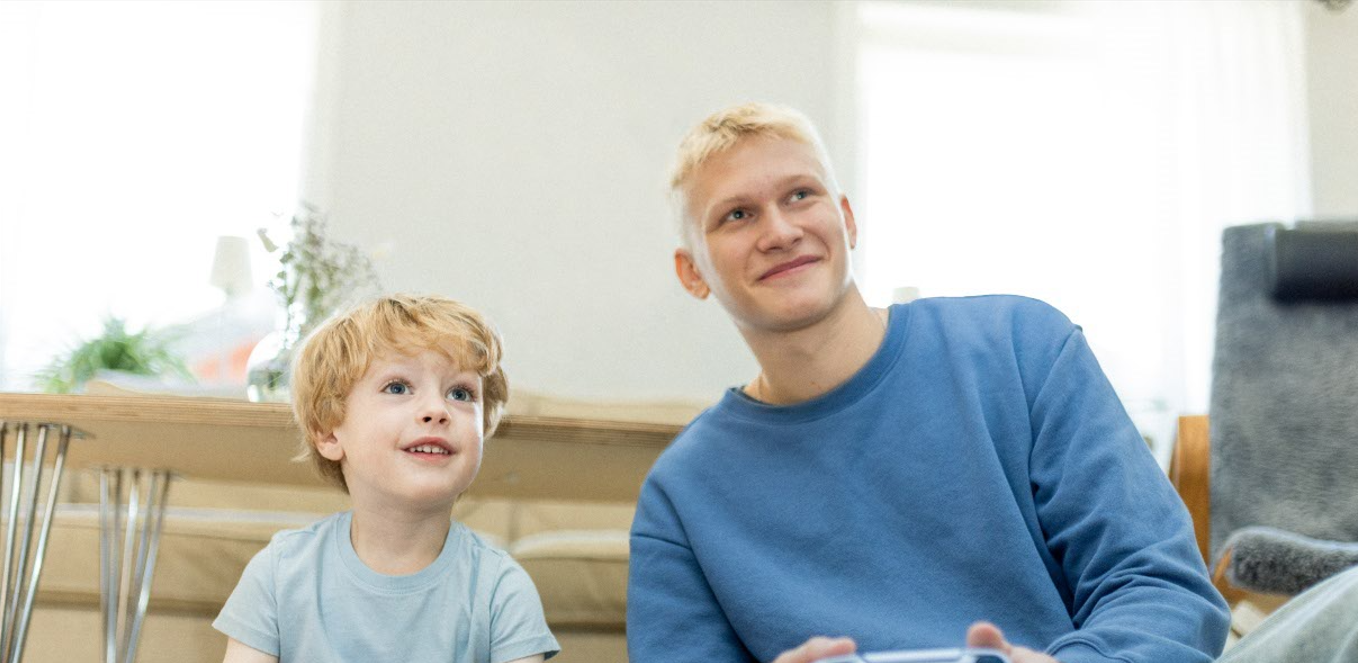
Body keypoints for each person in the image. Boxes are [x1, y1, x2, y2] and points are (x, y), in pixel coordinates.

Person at [625, 102, 1230, 663]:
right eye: (737, 214)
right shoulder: (681, 497)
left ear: (848, 219)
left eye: (801, 195)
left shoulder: (1024, 348)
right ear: (692, 273)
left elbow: (1161, 589)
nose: (780, 231)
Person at [214, 294, 560, 663]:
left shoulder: (501, 589)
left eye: (460, 393)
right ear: (330, 433)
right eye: (398, 387)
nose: (436, 410)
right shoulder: (279, 573)